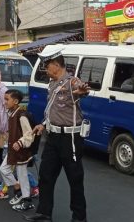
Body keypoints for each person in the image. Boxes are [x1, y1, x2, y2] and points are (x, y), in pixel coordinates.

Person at [25, 46, 90, 222]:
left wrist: (83, 91)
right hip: (53, 137)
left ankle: (79, 217)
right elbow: (53, 109)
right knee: (46, 175)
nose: (46, 70)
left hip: (70, 139)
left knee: (75, 179)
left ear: (55, 64)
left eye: (47, 66)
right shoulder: (52, 84)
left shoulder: (72, 82)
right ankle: (44, 213)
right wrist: (43, 124)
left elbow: (82, 89)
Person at [0, 89, 35, 212]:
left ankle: (27, 200)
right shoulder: (12, 113)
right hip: (13, 150)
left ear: (15, 101)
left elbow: (29, 135)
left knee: (22, 175)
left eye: (7, 99)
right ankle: (18, 189)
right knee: (4, 169)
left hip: (21, 151)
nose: (4, 102)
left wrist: (20, 142)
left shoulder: (21, 115)